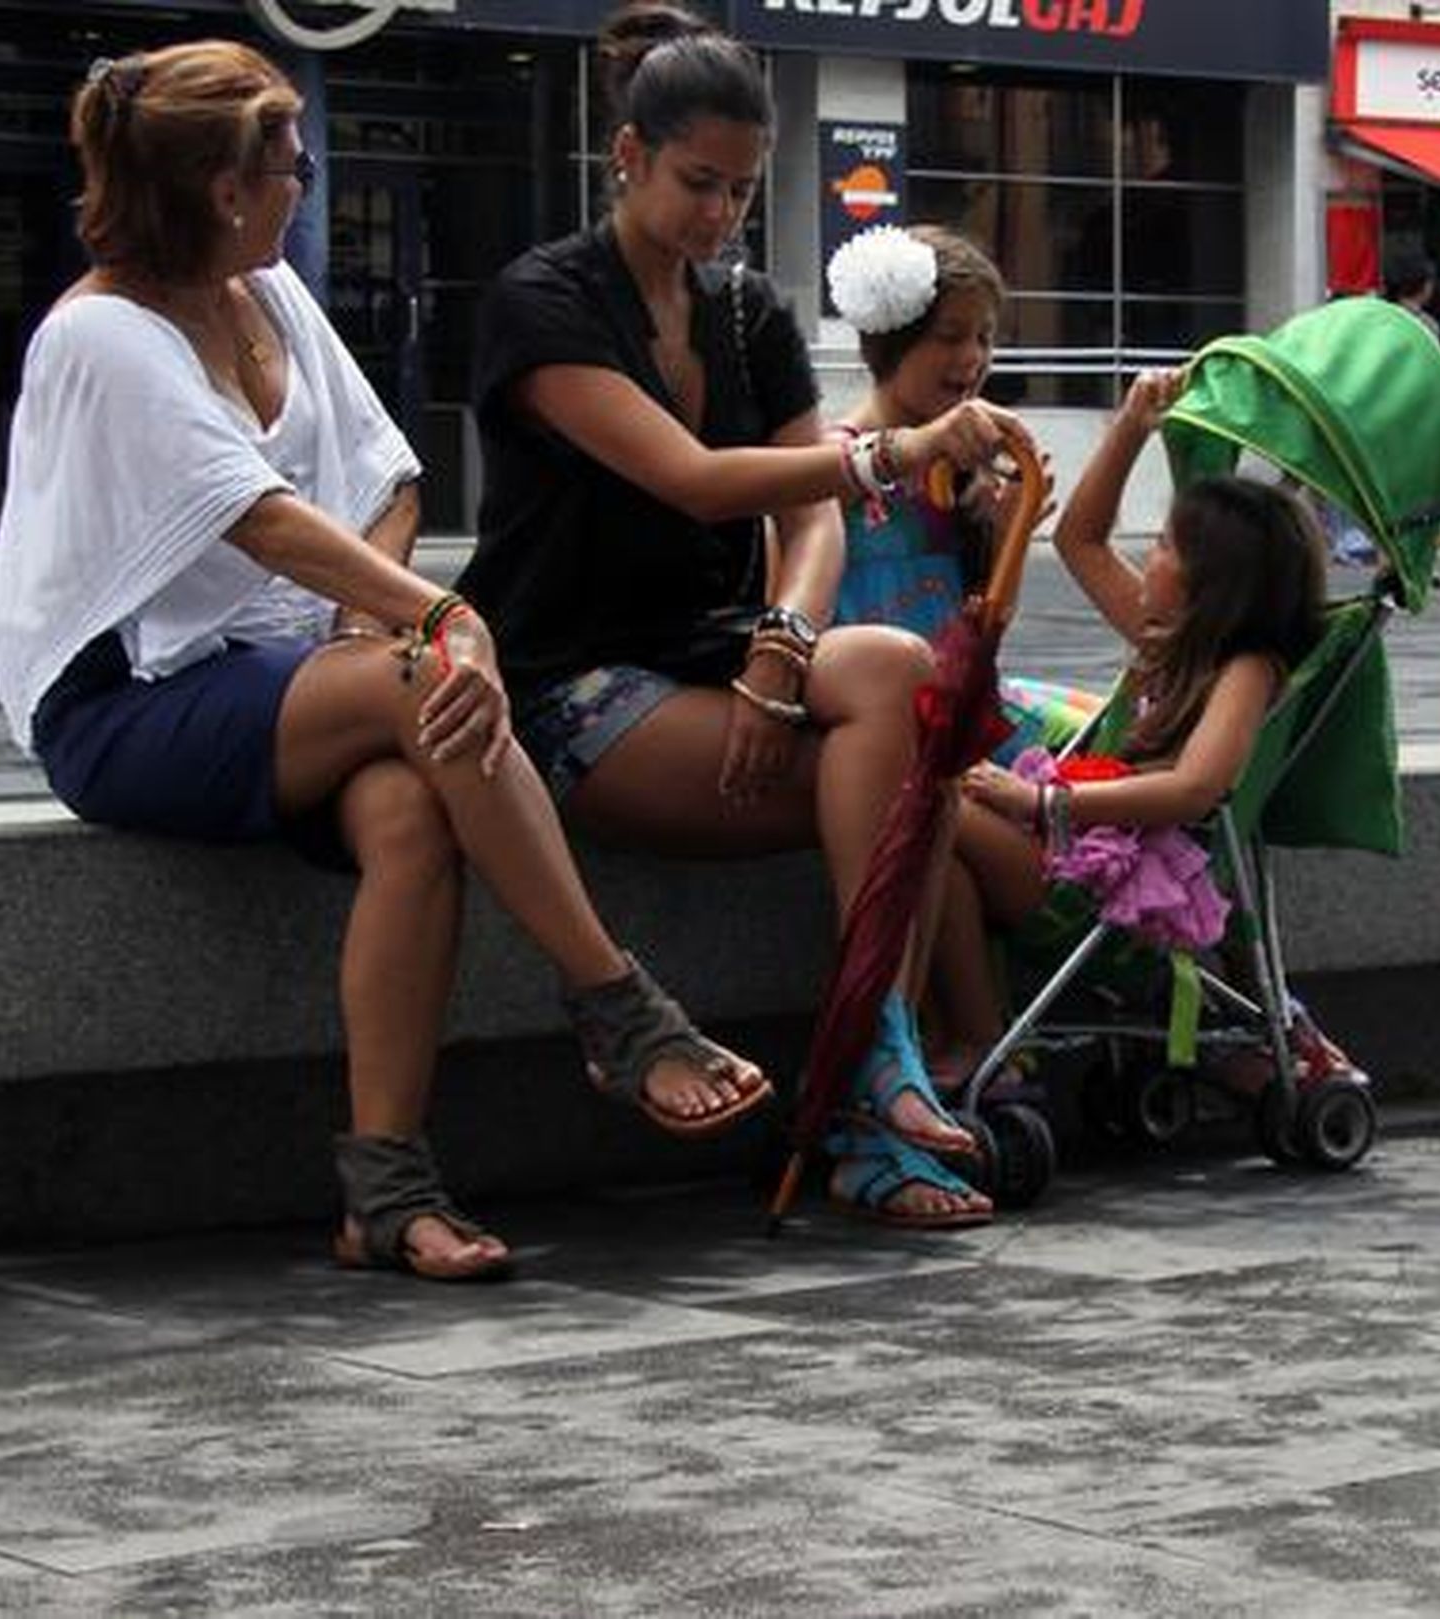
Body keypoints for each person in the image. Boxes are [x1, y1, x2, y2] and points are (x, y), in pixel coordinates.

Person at [0, 39, 775, 1285]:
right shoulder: (102, 337)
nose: (303, 185)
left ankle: (385, 1190)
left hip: (291, 677)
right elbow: (261, 513)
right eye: (287, 168)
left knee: (411, 806)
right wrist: (436, 624)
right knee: (434, 680)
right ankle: (617, 1009)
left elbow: (386, 475)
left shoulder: (266, 292)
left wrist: (377, 622)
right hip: (125, 702)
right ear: (220, 187)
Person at [458, 2, 1035, 1229]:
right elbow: (691, 476)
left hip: (709, 649)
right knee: (913, 780)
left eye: (739, 190)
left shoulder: (748, 314)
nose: (718, 215)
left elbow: (808, 521)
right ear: (626, 158)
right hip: (567, 674)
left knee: (894, 678)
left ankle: (873, 1069)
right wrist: (891, 455)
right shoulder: (542, 300)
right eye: (695, 184)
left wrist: (781, 642)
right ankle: (879, 1096)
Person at [957, 369, 1348, 1082]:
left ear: (1210, 582)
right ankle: (969, 1034)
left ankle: (987, 1047)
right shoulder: (1169, 643)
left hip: (1111, 899)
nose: (1152, 556)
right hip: (1080, 861)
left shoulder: (1245, 670)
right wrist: (1132, 428)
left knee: (939, 807)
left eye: (1166, 546)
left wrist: (1044, 803)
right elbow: (1081, 539)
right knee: (936, 804)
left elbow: (1195, 788)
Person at [824, 222, 1098, 1078]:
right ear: (885, 340)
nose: (970, 357)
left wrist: (1007, 529)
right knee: (936, 814)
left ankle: (984, 1039)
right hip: (892, 727)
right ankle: (986, 1040)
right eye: (949, 336)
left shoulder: (969, 475)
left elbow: (975, 636)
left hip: (963, 712)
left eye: (983, 337)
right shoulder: (834, 465)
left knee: (1115, 735)